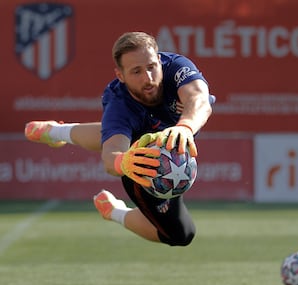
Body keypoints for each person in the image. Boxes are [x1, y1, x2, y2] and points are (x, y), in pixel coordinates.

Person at [25, 31, 214, 247]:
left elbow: (200, 100)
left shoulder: (177, 67)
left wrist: (185, 127)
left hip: (172, 135)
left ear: (159, 60)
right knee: (181, 235)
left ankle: (55, 132)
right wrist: (123, 162)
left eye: (152, 67)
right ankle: (114, 211)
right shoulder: (118, 104)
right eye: (136, 72)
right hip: (145, 163)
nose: (148, 78)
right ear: (121, 76)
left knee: (125, 132)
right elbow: (111, 153)